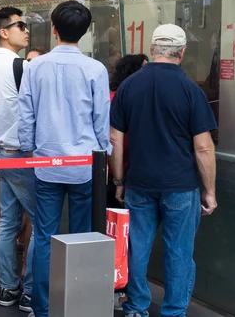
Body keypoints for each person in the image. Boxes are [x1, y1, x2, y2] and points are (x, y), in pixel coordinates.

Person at [110, 24, 218, 317]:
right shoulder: (191, 91)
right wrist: (209, 192)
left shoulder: (128, 87)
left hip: (139, 183)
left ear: (153, 49)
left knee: (137, 248)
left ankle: (136, 306)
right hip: (181, 185)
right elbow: (204, 148)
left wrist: (119, 180)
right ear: (182, 53)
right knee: (179, 252)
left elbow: (115, 139)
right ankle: (173, 312)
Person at [18, 0, 112, 317]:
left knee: (44, 236)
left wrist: (31, 148)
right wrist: (104, 156)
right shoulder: (95, 69)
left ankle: (42, 308)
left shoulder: (34, 67)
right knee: (83, 235)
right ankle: (79, 304)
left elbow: (25, 115)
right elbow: (101, 121)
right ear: (84, 33)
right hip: (85, 166)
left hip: (45, 164)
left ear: (54, 30)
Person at [0, 7, 34, 312]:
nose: (26, 30)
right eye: (21, 25)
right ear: (4, 32)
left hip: (0, 151)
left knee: (8, 223)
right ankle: (29, 290)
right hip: (20, 154)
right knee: (41, 223)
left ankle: (8, 286)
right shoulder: (19, 65)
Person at [108, 53, 148, 311]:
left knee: (117, 233)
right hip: (118, 175)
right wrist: (119, 179)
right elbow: (115, 140)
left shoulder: (115, 96)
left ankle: (119, 288)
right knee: (121, 236)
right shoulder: (123, 99)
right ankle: (119, 288)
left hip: (116, 175)